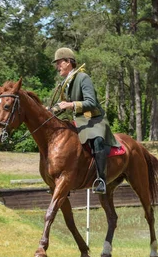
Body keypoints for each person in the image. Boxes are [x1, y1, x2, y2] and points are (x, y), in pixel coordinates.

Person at [48, 47, 120, 194]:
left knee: (97, 140)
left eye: (59, 63)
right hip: (78, 120)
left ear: (68, 62)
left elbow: (91, 102)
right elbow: (62, 105)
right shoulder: (66, 82)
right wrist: (47, 111)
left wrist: (71, 104)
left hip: (93, 119)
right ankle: (63, 180)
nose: (57, 67)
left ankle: (101, 180)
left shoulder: (83, 78)